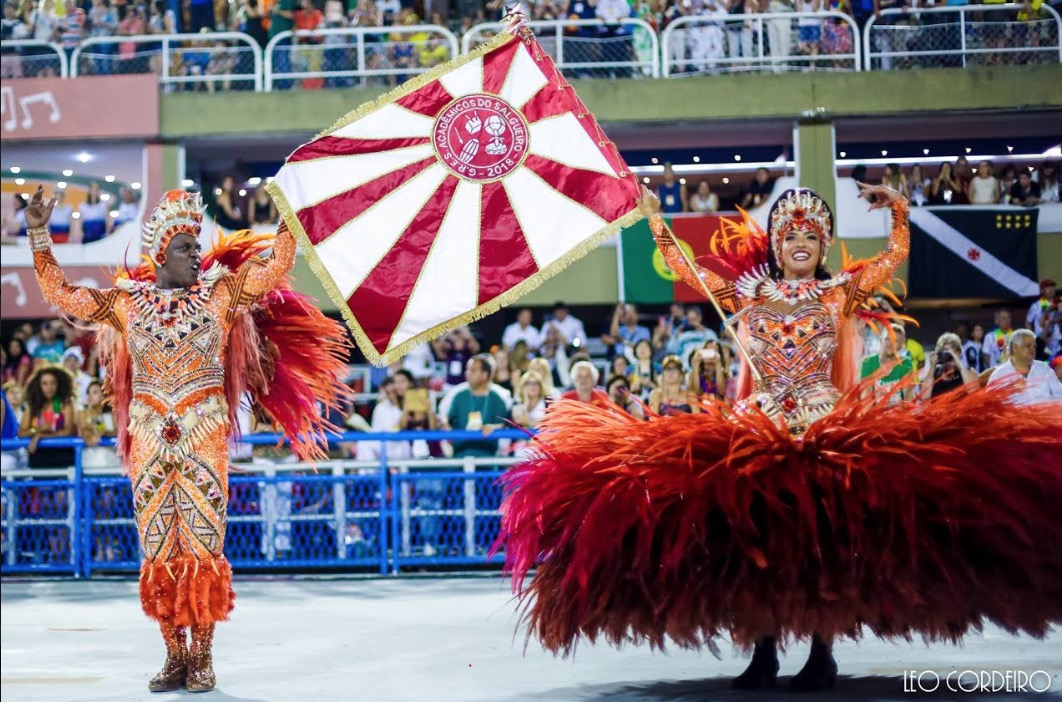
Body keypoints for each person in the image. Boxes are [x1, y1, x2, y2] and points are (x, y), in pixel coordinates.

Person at [496, 183, 1062, 693]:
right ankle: (763, 651)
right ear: (775, 245)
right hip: (755, 432)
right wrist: (654, 219)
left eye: (811, 236)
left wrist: (898, 210)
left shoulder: (840, 292)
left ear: (821, 247)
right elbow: (688, 272)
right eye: (789, 233)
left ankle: (821, 653)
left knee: (819, 547)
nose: (800, 241)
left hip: (823, 430)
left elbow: (893, 259)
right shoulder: (748, 293)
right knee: (756, 548)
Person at [24, 185, 348, 693]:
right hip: (149, 440)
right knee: (157, 550)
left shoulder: (223, 293)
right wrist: (39, 233)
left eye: (198, 246)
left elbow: (274, 267)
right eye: (185, 247)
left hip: (203, 436)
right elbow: (64, 296)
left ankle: (202, 657)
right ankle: (174, 655)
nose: (196, 254)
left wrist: (290, 215)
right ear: (160, 255)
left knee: (201, 549)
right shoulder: (126, 303)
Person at [987, 329, 1062, 404]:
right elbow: (992, 406)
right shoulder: (999, 375)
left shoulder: (1044, 369)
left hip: (1047, 414)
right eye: (1028, 346)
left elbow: (1059, 395)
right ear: (1015, 347)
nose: (1032, 349)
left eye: (1034, 346)